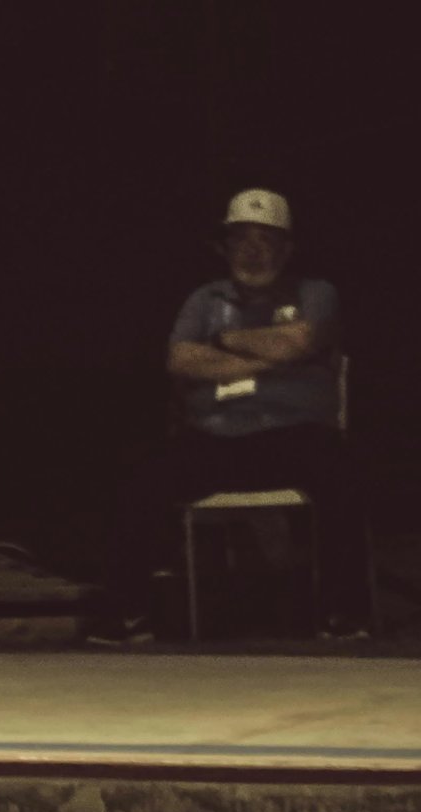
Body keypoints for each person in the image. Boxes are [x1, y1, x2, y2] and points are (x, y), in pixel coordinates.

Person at [90, 188, 368, 643]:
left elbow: (298, 342)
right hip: (215, 437)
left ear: (287, 247)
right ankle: (127, 614)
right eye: (241, 240)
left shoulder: (317, 292)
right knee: (140, 474)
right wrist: (266, 358)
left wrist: (220, 342)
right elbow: (180, 360)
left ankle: (343, 614)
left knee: (341, 473)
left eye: (265, 240)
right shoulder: (205, 299)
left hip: (295, 433)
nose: (252, 251)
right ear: (225, 247)